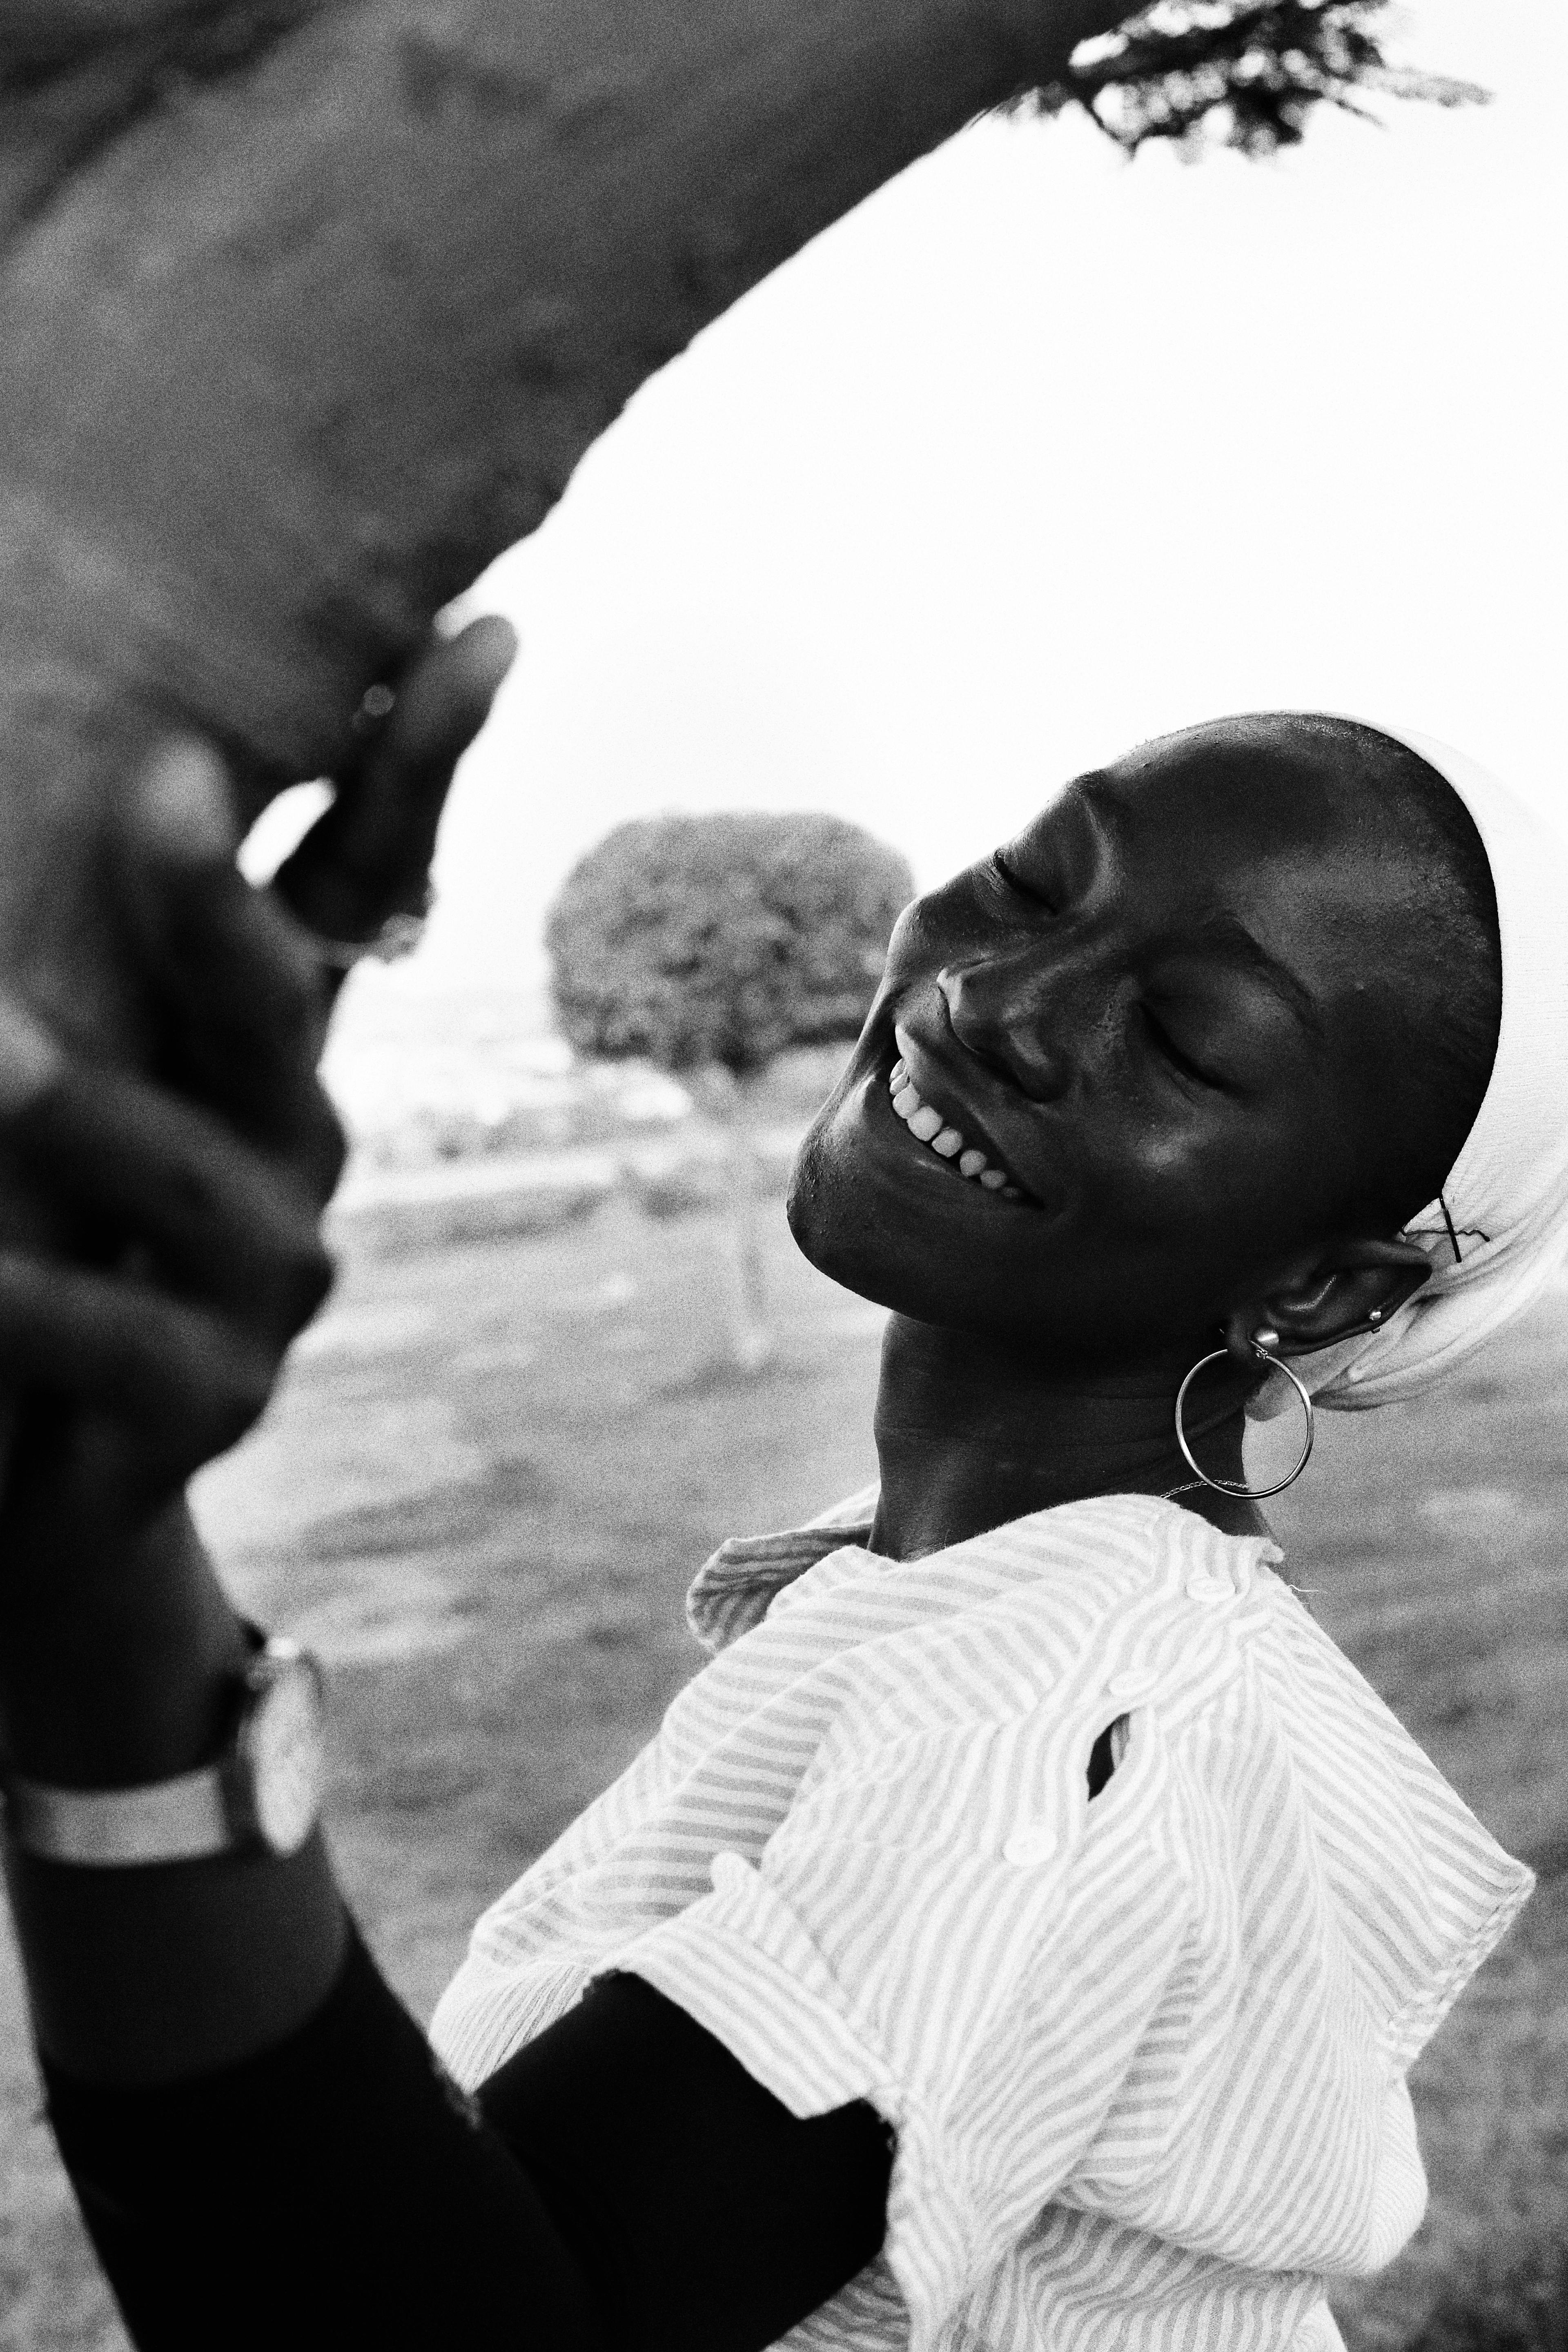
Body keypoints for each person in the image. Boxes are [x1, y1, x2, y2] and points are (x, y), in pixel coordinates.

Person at [0, 665, 1558, 2350]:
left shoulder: (1073, 1728)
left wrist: (98, 1592)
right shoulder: (974, 1603)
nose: (995, 998)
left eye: (1186, 1039)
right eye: (1038, 880)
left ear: (1325, 1291)